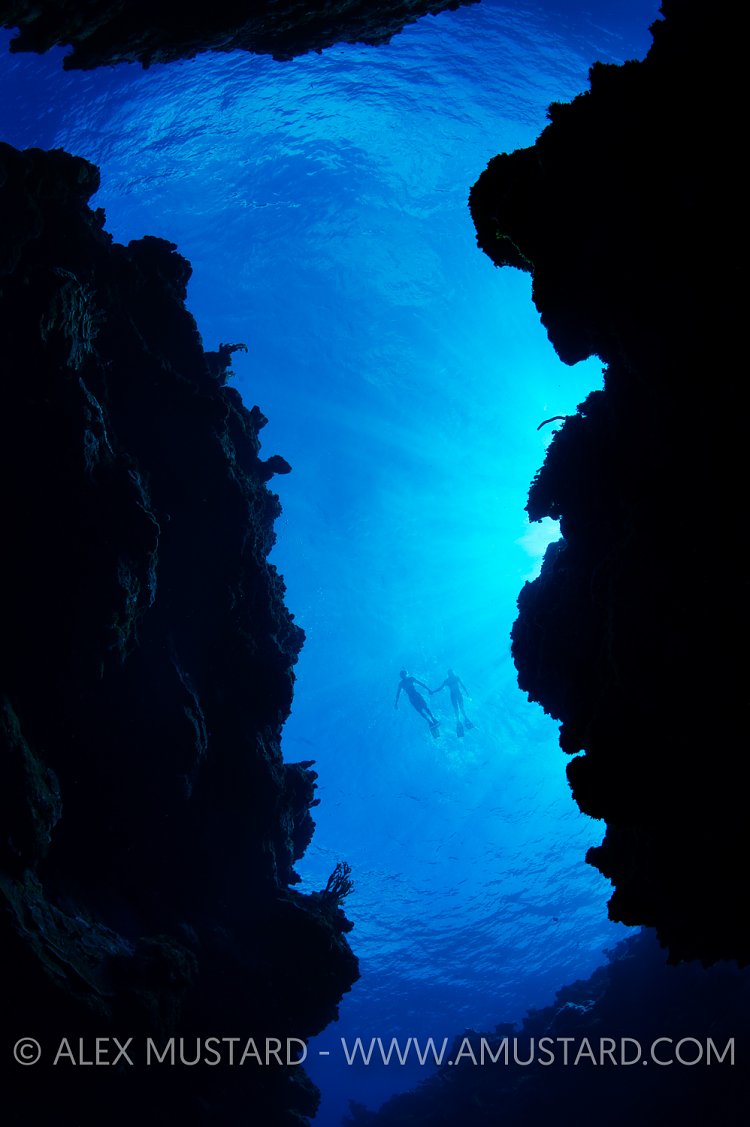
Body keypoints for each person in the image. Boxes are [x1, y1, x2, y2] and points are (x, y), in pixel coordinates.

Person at [395, 669, 440, 734]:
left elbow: (421, 684)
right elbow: (398, 693)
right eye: (403, 675)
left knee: (425, 707)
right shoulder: (401, 684)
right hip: (412, 697)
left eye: (404, 674)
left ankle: (433, 718)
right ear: (402, 676)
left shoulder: (410, 679)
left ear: (405, 674)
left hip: (415, 695)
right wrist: (396, 703)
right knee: (420, 710)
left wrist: (429, 689)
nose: (404, 676)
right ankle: (429, 721)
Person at [431, 669, 474, 736]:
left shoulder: (454, 678)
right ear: (450, 673)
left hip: (457, 694)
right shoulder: (449, 680)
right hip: (455, 695)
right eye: (451, 673)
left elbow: (462, 685)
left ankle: (463, 719)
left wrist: (466, 692)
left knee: (460, 708)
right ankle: (460, 720)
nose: (452, 674)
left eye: (452, 673)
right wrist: (434, 691)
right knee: (457, 708)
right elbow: (441, 688)